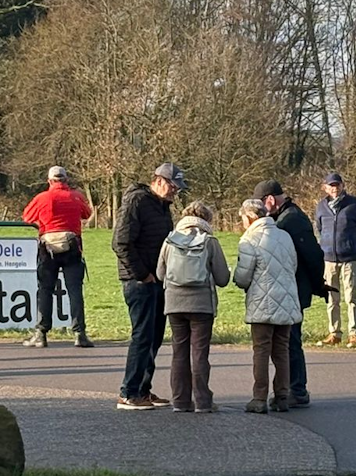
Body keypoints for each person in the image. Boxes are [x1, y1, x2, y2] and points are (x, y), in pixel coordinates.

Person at [111, 163, 184, 409]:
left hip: (158, 280)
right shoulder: (137, 202)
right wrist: (143, 274)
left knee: (154, 337)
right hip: (139, 281)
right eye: (173, 186)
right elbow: (121, 242)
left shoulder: (162, 207)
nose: (175, 191)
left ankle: (143, 389)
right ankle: (129, 392)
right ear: (159, 180)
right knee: (142, 336)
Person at [156, 200, 231, 413]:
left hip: (175, 304)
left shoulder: (170, 240)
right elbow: (222, 278)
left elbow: (160, 274)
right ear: (206, 219)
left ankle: (180, 401)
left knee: (179, 352)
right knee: (199, 353)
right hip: (201, 305)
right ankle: (203, 401)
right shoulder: (209, 241)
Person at [258, 180, 326, 408]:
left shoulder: (291, 220)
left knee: (291, 340)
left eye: (261, 203)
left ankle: (297, 389)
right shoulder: (287, 217)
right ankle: (291, 389)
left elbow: (313, 255)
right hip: (292, 287)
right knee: (287, 340)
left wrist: (318, 285)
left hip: (295, 288)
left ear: (270, 200)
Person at [233, 198, 301, 413]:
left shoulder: (249, 239)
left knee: (261, 350)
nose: (243, 223)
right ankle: (282, 396)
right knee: (281, 350)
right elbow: (293, 265)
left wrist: (238, 280)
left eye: (243, 218)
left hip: (262, 302)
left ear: (251, 217)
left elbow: (243, 277)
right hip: (287, 300)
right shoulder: (285, 236)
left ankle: (259, 398)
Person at [21, 166, 94, 349]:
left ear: (49, 181)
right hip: (72, 247)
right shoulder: (76, 196)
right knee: (74, 290)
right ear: (66, 180)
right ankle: (80, 334)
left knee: (45, 290)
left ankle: (41, 334)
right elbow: (87, 214)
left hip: (48, 249)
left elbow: (27, 216)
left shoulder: (42, 198)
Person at [315, 172, 356, 348]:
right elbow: (319, 229)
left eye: (337, 185)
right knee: (332, 298)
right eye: (331, 185)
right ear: (325, 187)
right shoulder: (321, 207)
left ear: (342, 185)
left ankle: (354, 333)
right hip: (329, 260)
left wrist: (355, 248)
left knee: (351, 296)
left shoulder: (354, 204)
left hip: (349, 259)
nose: (335, 188)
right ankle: (334, 333)